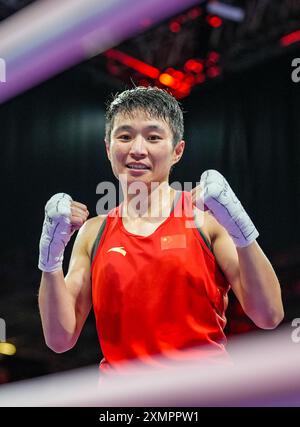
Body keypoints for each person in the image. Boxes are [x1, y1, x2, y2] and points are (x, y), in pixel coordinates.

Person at [38, 86, 284, 373]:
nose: (137, 150)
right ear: (108, 148)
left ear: (177, 151)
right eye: (125, 136)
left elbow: (269, 315)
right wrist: (50, 259)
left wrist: (241, 228)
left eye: (153, 137)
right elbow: (59, 339)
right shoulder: (93, 233)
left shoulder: (205, 220)